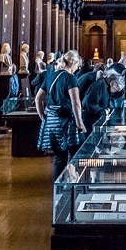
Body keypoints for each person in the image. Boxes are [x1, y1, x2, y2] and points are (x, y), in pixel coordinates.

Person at [35, 49, 86, 180]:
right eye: (77, 65)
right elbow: (76, 103)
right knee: (77, 153)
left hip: (52, 122)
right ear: (72, 63)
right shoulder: (70, 78)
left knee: (59, 158)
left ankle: (59, 189)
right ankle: (75, 184)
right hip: (66, 123)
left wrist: (43, 116)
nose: (77, 68)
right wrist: (80, 123)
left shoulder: (51, 76)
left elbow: (38, 99)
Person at [81, 66, 114, 130]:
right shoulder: (100, 84)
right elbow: (89, 103)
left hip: (93, 119)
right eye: (116, 88)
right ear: (113, 83)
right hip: (91, 120)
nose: (115, 91)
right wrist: (102, 111)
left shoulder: (103, 85)